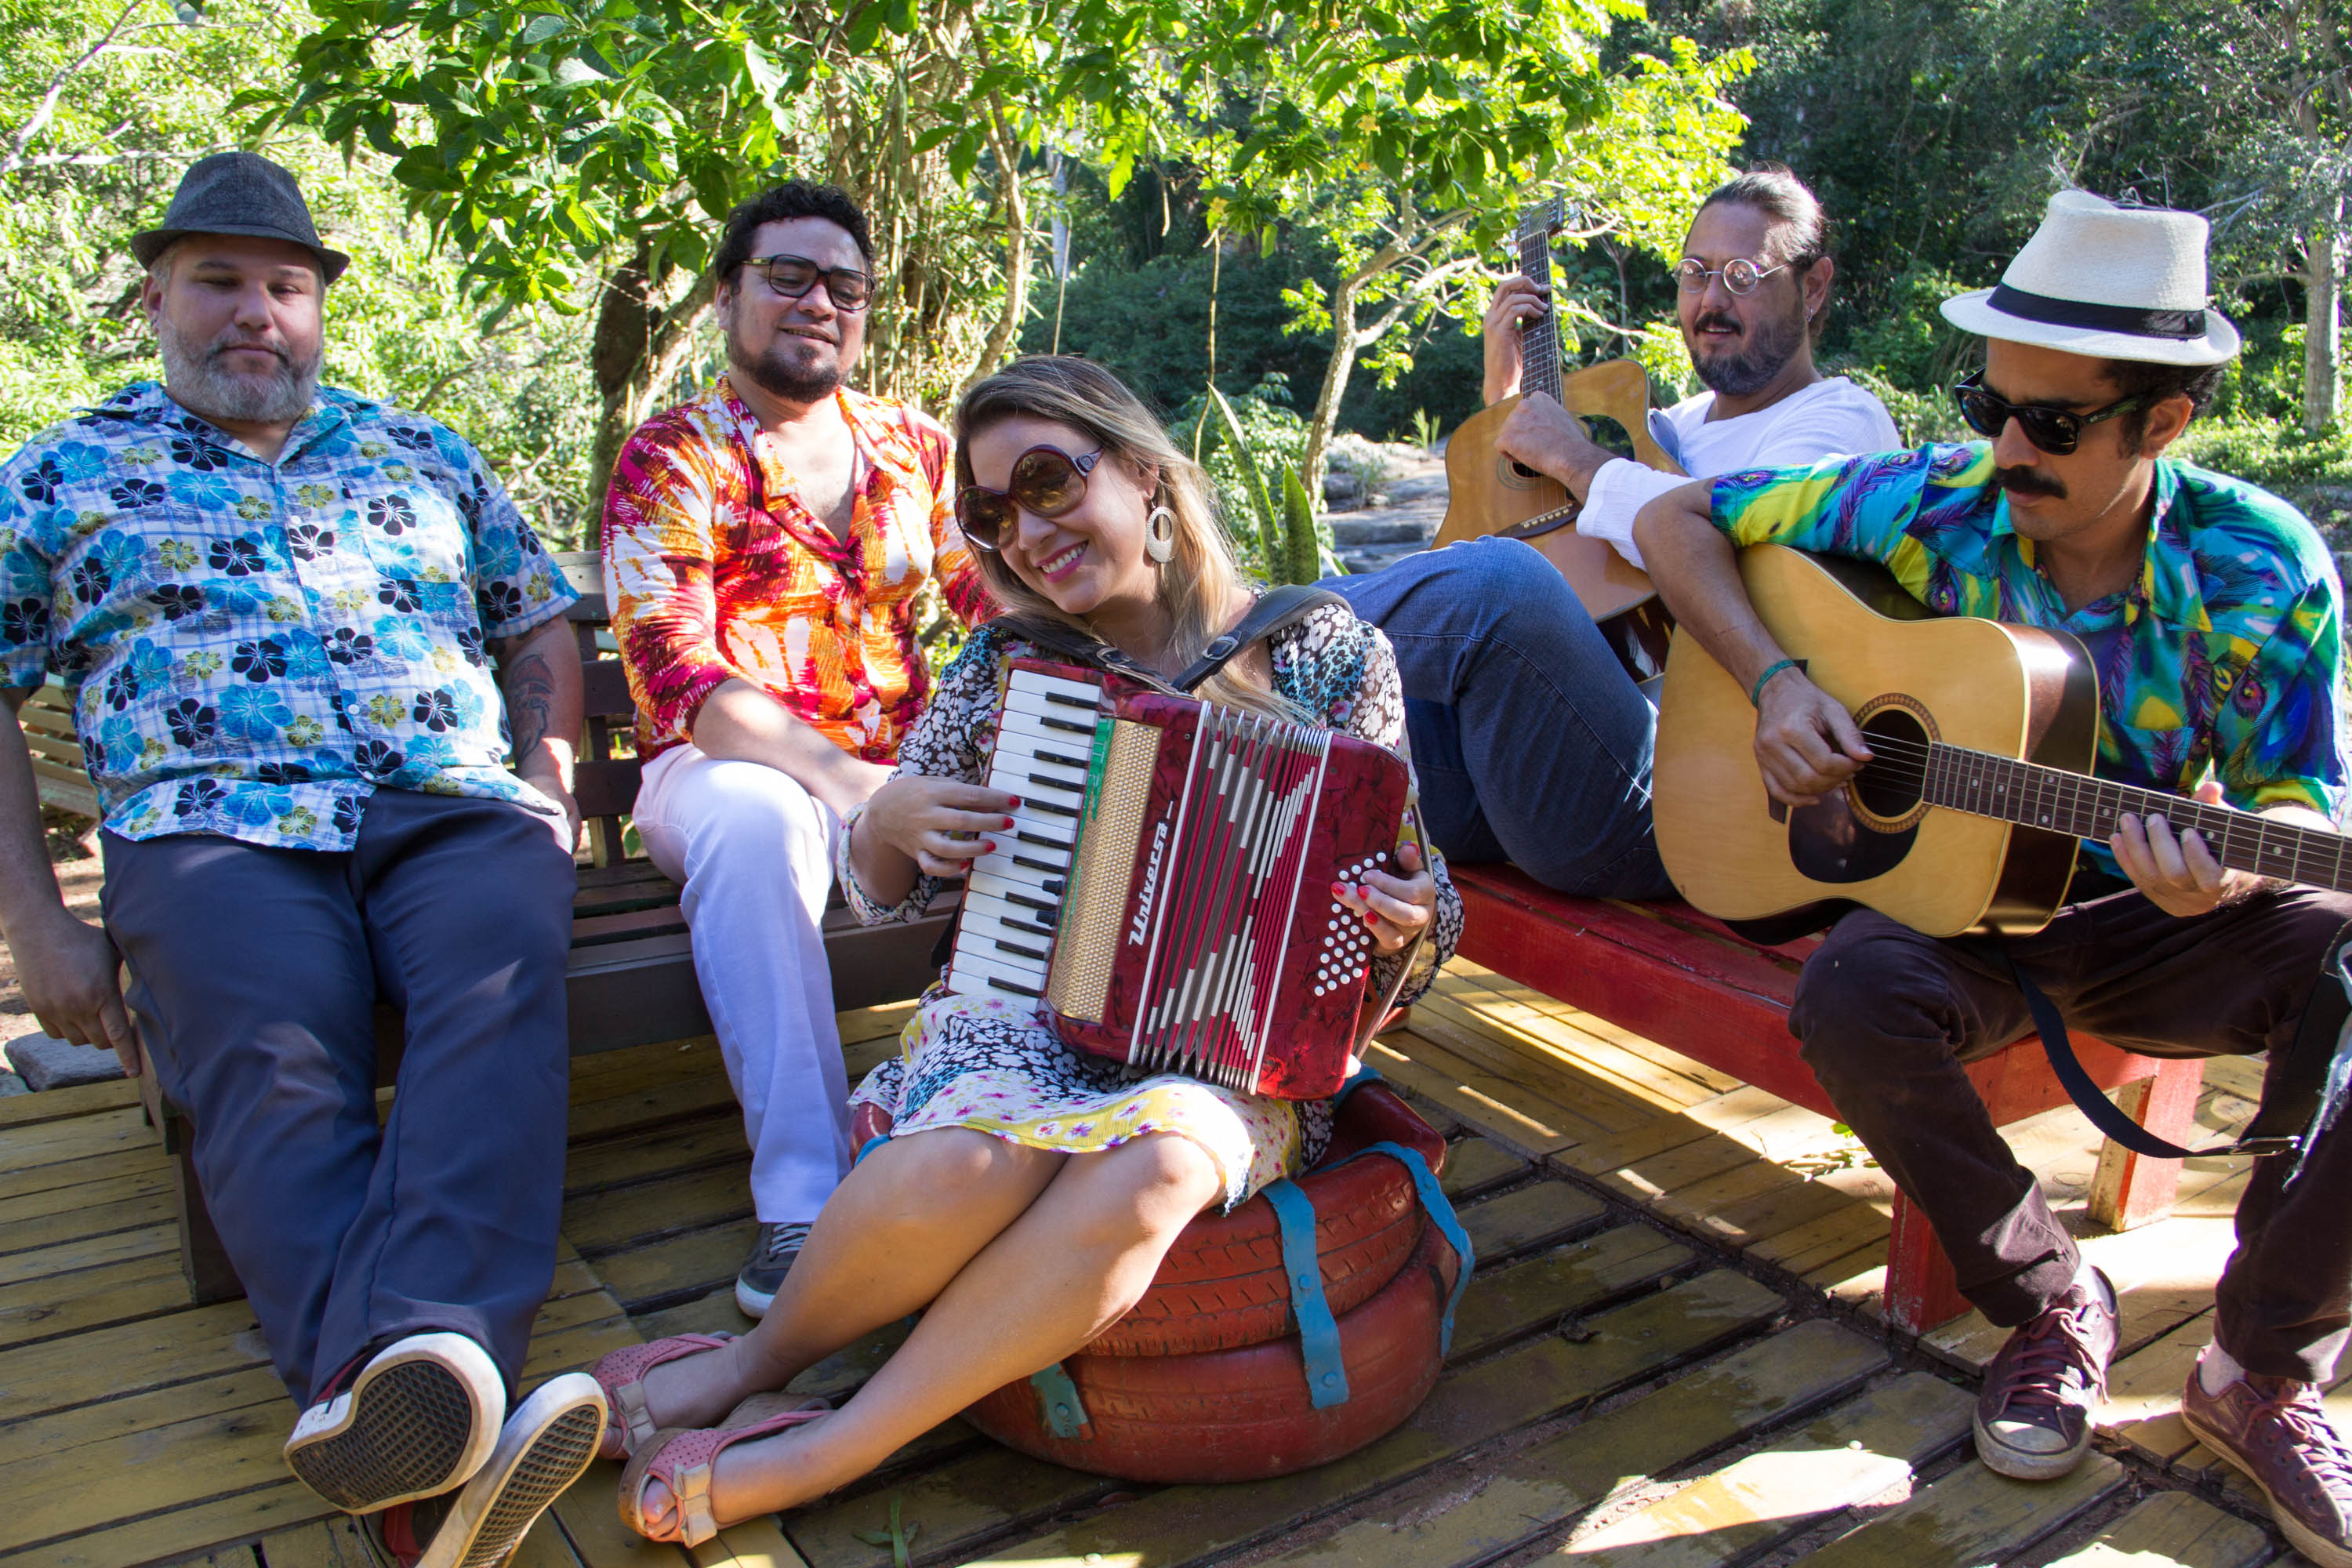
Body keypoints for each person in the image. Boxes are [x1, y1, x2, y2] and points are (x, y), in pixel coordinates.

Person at [586, 356, 1464, 1543]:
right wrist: (886, 822)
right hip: (1025, 1018)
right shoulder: (1006, 670)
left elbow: (1426, 902)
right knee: (960, 1166)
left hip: (1232, 1061)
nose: (1028, 533)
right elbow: (883, 895)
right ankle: (755, 1365)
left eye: (1050, 482)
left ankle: (833, 1449)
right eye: (991, 513)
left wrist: (1411, 915)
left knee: (1158, 1165)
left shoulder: (1327, 653)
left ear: (1144, 472)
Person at [1633, 191, 2352, 1566]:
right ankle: (2045, 1302)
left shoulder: (2260, 565)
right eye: (1994, 403)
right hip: (1961, 917)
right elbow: (1678, 523)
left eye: (2055, 423)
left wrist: (2229, 877)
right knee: (1848, 991)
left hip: (2161, 919)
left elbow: (2293, 803)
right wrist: (1776, 680)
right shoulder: (1939, 500)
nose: (2008, 446)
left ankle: (2257, 1367)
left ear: (2166, 423)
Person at [0, 153, 605, 1566]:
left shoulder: (425, 452)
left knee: (500, 1001)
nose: (256, 311)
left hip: (450, 807)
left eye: (285, 284)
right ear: (156, 296)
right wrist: (38, 925)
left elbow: (536, 619)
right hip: (213, 831)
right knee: (272, 1062)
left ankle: (394, 1432)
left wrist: (549, 781)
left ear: (320, 306)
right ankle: (429, 1456)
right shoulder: (61, 474)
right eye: (219, 280)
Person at [604, 182, 990, 1319]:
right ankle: (806, 1206)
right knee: (758, 819)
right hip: (721, 772)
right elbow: (680, 676)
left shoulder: (912, 444)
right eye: (786, 275)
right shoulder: (671, 456)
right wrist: (871, 794)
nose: (818, 300)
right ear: (728, 295)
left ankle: (1036, 1123)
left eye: (845, 286)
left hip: (898, 769)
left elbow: (993, 597)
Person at [1330, 165, 1900, 896]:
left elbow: (1727, 547)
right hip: (1540, 772)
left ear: (1813, 286)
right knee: (1335, 729)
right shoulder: (1669, 426)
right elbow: (1590, 581)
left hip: (1681, 801)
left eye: (1743, 274)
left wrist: (1573, 455)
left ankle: (1239, 624)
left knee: (1502, 584)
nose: (1712, 300)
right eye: (1695, 273)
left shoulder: (1836, 422)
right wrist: (1504, 407)